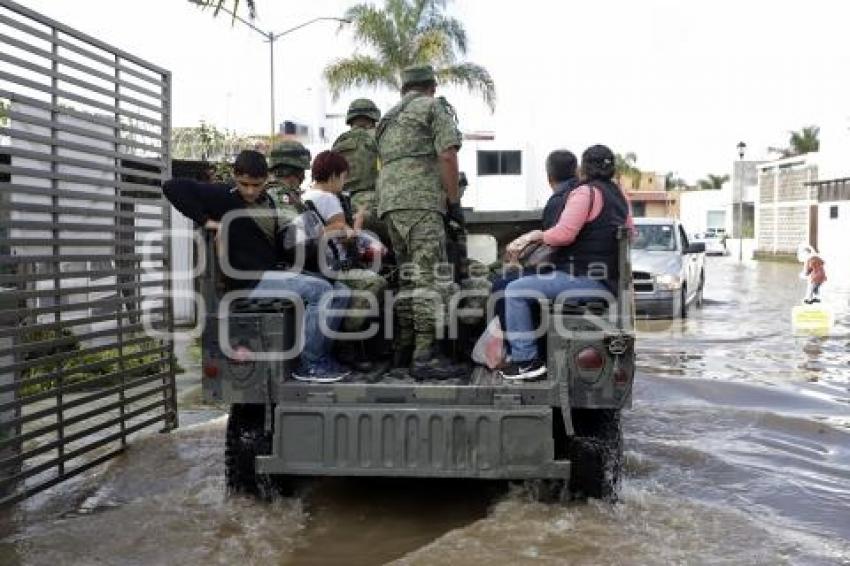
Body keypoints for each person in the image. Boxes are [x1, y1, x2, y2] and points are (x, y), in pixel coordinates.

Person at [163, 149, 351, 383]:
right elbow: (172, 187)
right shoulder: (223, 195)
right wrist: (209, 222)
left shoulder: (270, 201)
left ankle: (322, 356)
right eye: (244, 184)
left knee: (341, 290)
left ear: (266, 180)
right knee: (320, 291)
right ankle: (310, 365)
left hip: (272, 272)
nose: (250, 191)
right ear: (235, 177)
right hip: (246, 281)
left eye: (256, 185)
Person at [500, 145, 633, 381]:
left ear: (583, 168)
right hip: (607, 281)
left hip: (585, 279)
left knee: (514, 290)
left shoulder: (586, 193)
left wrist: (533, 236)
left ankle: (525, 361)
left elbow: (564, 234)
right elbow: (631, 233)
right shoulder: (620, 195)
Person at [375, 64, 466, 380]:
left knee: (409, 279)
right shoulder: (433, 106)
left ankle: (405, 349)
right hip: (422, 202)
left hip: (389, 205)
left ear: (404, 89)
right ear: (432, 87)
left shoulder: (386, 120)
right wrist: (453, 202)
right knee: (428, 279)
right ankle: (425, 357)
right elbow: (447, 156)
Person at [302, 151, 389, 369]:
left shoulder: (306, 197)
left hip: (314, 267)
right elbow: (346, 240)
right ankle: (347, 341)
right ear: (333, 176)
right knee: (377, 283)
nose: (343, 183)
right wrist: (358, 224)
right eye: (343, 177)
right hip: (337, 268)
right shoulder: (329, 199)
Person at [492, 150, 581, 334]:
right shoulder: (582, 194)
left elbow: (552, 247)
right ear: (576, 172)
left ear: (549, 177)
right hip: (582, 268)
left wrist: (520, 262)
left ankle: (513, 350)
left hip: (565, 269)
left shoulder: (559, 200)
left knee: (502, 286)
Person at [331, 99, 389, 245]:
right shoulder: (380, 136)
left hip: (341, 205)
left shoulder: (340, 141)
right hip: (373, 204)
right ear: (373, 117)